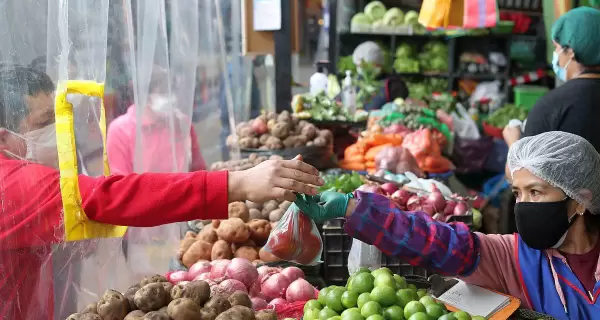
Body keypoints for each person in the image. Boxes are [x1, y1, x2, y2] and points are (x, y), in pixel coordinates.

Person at [0, 66, 323, 319]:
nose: (56, 132)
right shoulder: (11, 184)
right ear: (4, 137)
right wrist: (237, 184)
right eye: (43, 123)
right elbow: (111, 196)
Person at [296, 131, 600, 319]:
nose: (522, 205)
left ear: (580, 200)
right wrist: (352, 207)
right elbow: (433, 240)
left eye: (535, 192)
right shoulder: (513, 256)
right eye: (517, 194)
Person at [503, 7, 600, 150]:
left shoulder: (551, 106)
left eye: (557, 47)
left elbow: (522, 171)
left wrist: (514, 143)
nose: (556, 54)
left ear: (571, 51)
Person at [107, 69, 207, 174]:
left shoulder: (181, 122)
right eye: (163, 91)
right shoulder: (120, 131)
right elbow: (122, 185)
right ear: (146, 96)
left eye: (172, 89)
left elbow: (199, 169)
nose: (171, 96)